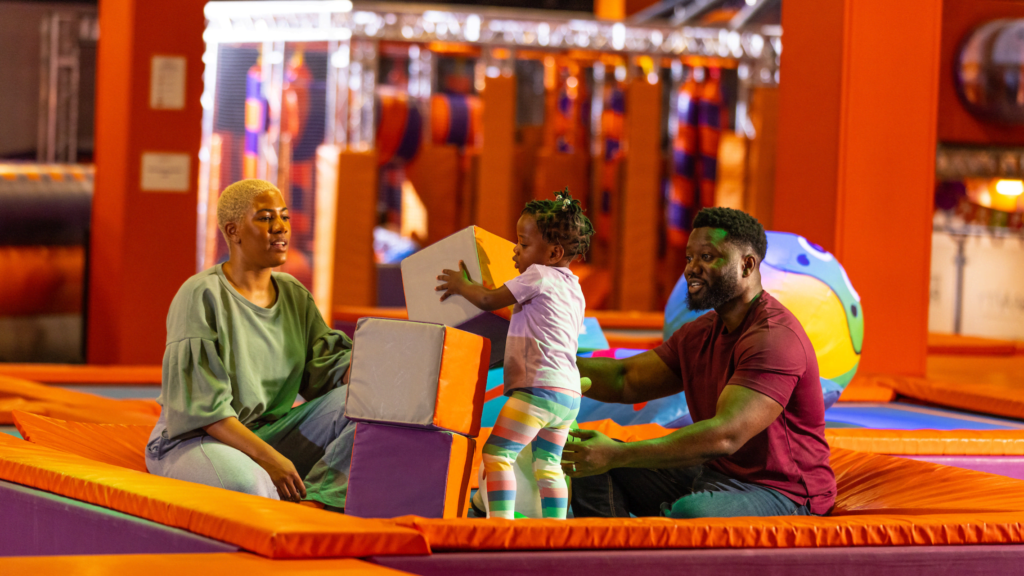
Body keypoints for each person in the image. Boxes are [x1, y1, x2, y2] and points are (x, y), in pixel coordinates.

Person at [562, 207, 836, 519]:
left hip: (784, 491)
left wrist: (619, 454)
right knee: (585, 458)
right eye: (689, 258)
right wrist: (549, 363)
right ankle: (611, 560)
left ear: (747, 265)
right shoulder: (701, 332)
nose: (692, 268)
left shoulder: (774, 338)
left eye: (707, 257)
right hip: (717, 474)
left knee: (693, 512)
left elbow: (726, 435)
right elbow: (626, 379)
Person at [146, 179, 354, 510]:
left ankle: (315, 505)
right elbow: (204, 413)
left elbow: (328, 372)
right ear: (233, 231)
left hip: (269, 433)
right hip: (198, 438)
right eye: (265, 217)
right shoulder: (200, 295)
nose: (280, 228)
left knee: (363, 403)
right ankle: (278, 502)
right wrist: (271, 460)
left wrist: (377, 362)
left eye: (284, 217)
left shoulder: (294, 294)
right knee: (249, 486)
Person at [436, 188, 595, 519]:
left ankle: (501, 527)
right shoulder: (574, 288)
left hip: (538, 390)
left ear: (552, 253)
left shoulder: (537, 275)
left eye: (523, 244)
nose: (515, 249)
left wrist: (461, 284)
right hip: (568, 395)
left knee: (497, 455)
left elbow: (488, 300)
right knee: (548, 465)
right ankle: (556, 530)